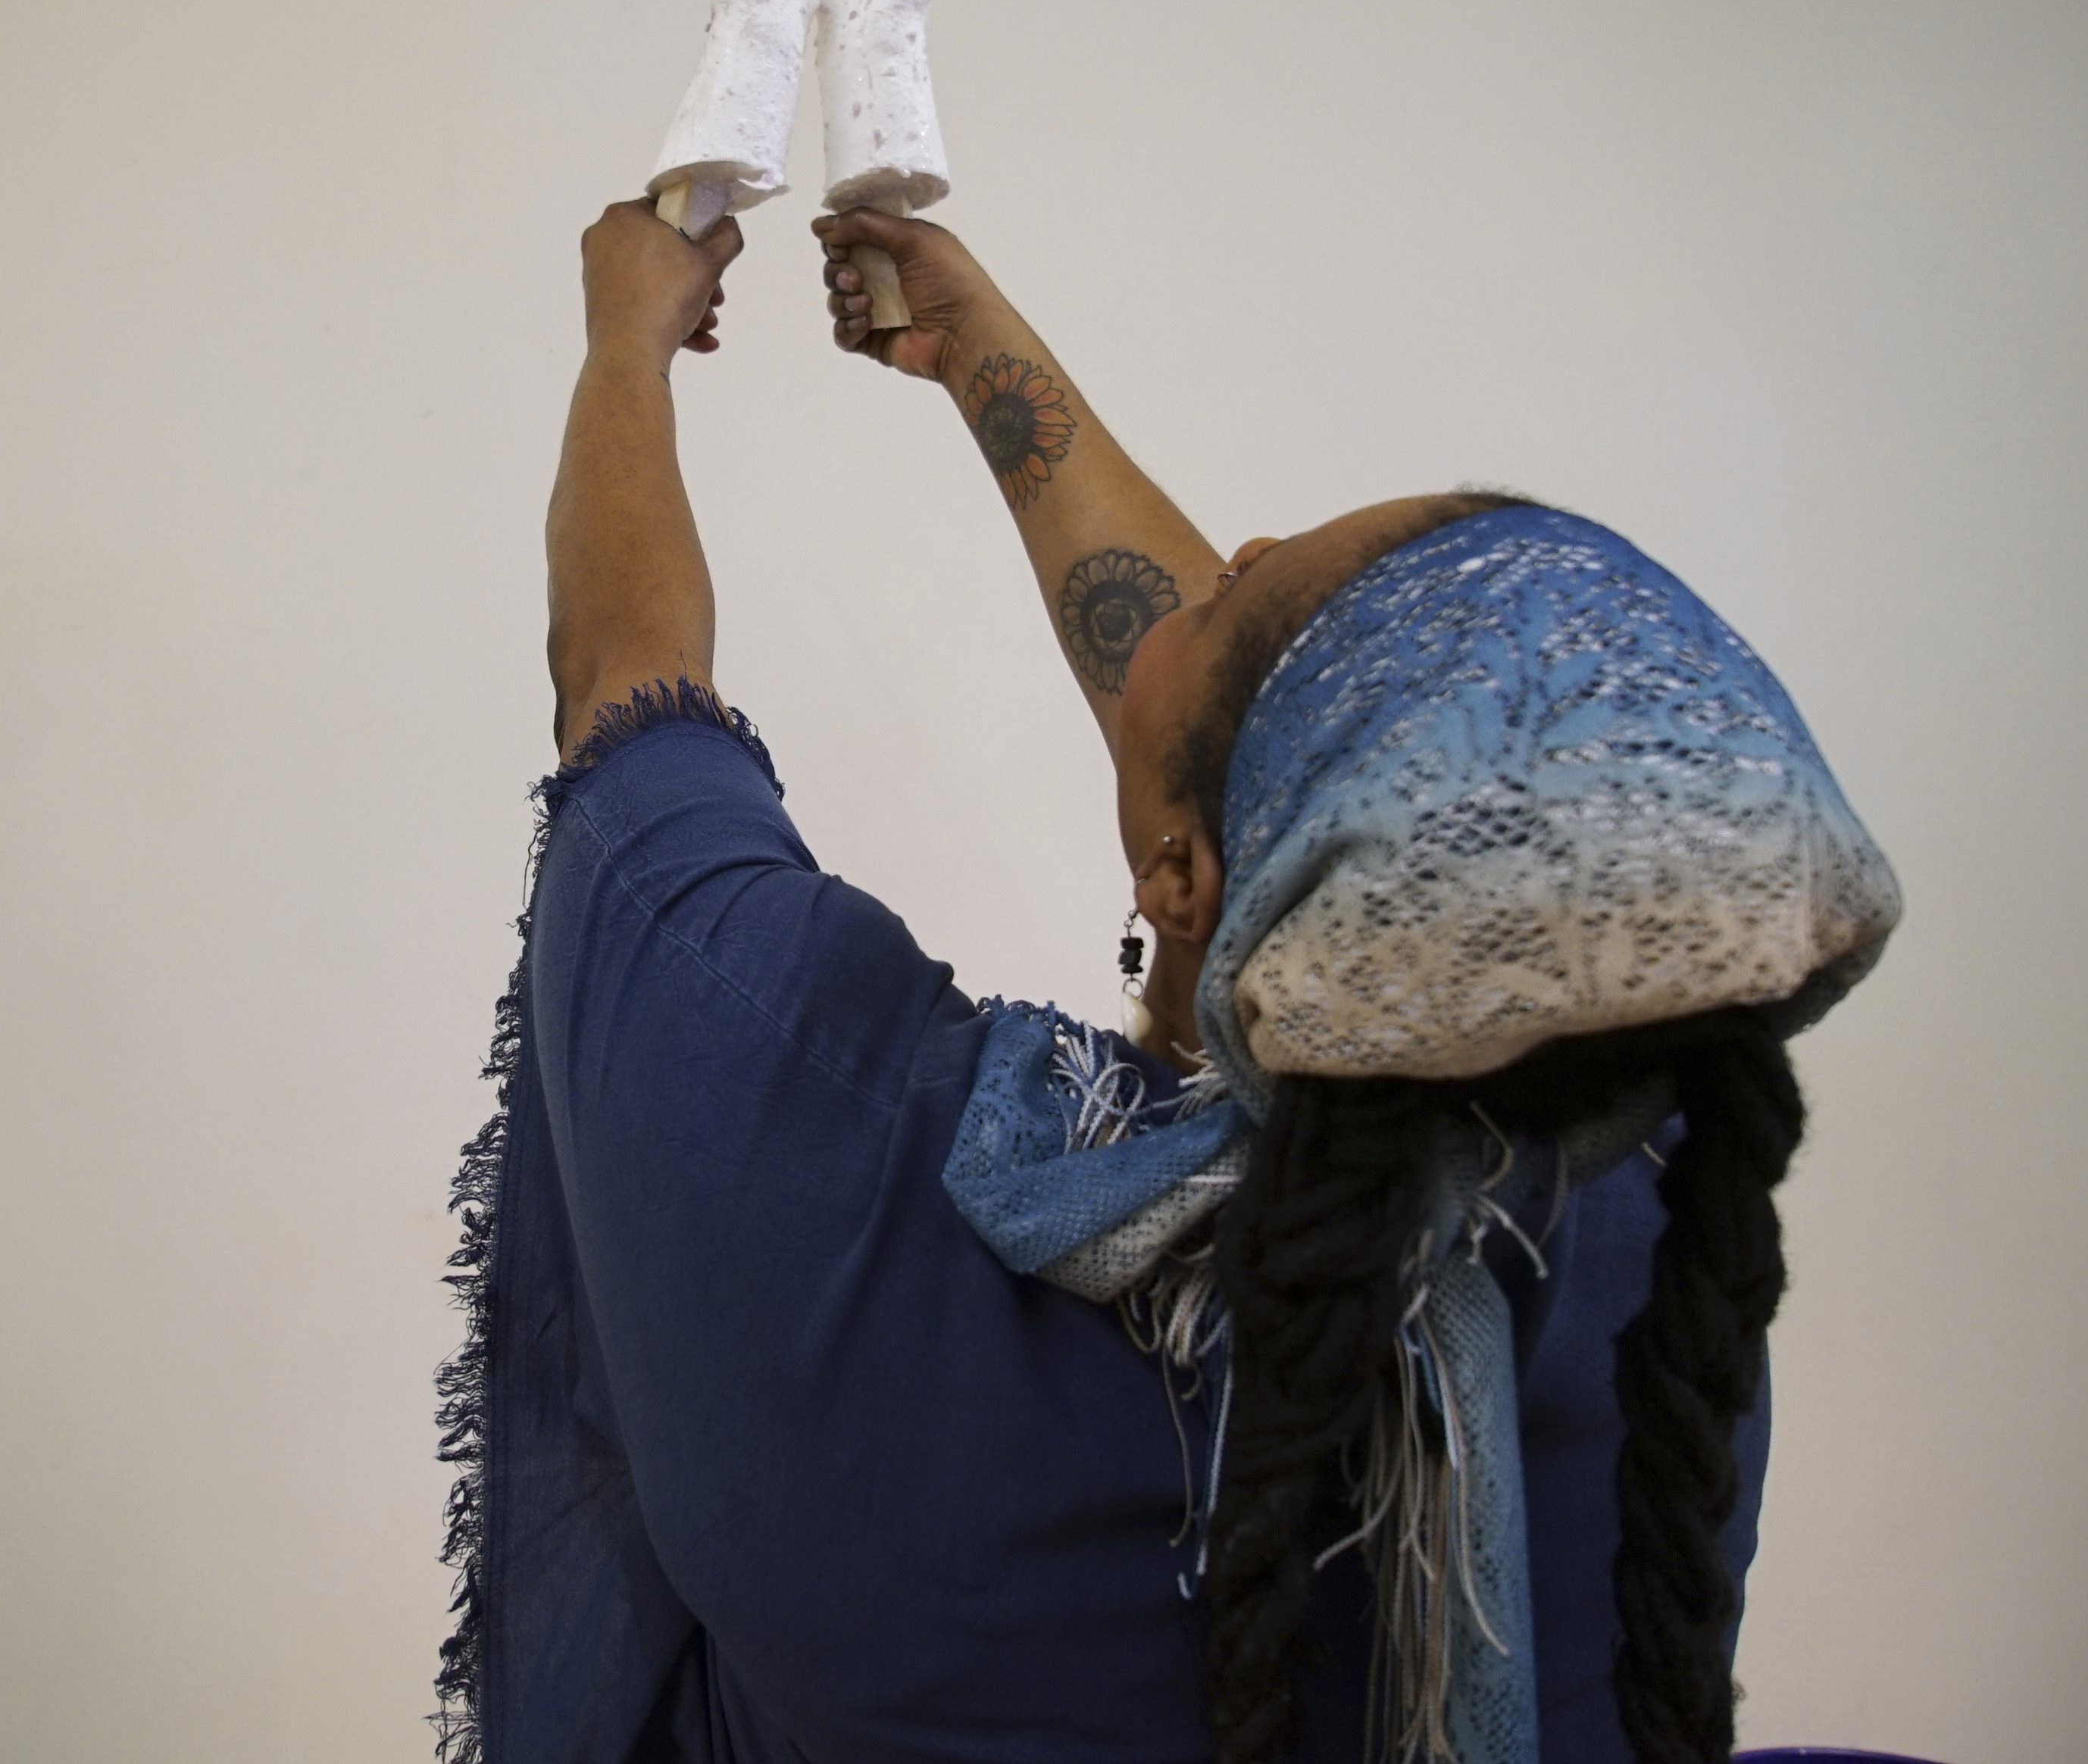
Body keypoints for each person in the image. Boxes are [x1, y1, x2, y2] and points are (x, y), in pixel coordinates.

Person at [433, 201, 1901, 1764]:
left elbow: (621, 682)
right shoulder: (1634, 1225)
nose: (1240, 549)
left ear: (1190, 884)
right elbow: (1298, 786)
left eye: (1237, 593)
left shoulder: (825, 1144)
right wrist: (971, 350)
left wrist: (624, 344)